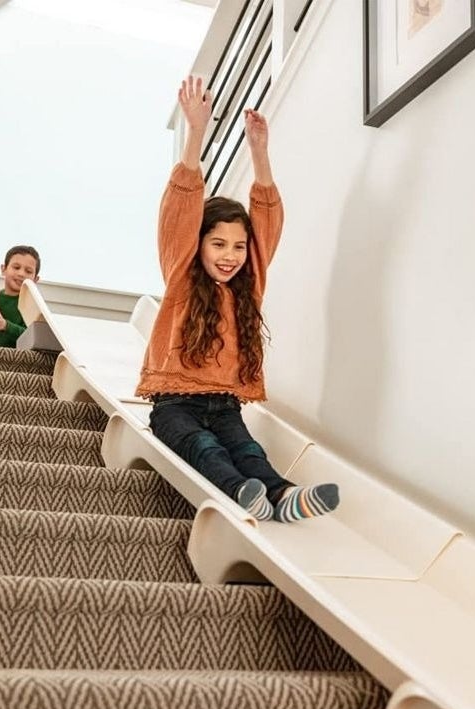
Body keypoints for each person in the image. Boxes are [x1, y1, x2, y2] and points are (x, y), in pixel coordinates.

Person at [136, 75, 339, 523]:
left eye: (238, 246)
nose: (230, 256)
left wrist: (260, 154)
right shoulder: (181, 279)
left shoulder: (249, 286)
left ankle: (282, 496)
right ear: (199, 245)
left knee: (248, 449)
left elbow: (267, 220)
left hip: (225, 403)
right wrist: (196, 135)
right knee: (206, 448)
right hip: (174, 406)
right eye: (218, 244)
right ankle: (240, 494)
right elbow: (180, 207)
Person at [0, 244, 40, 347]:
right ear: (3, 269)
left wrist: (7, 326)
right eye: (16, 267)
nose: (21, 274)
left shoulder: (32, 307)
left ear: (35, 280)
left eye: (28, 271)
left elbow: (32, 337)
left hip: (15, 360)